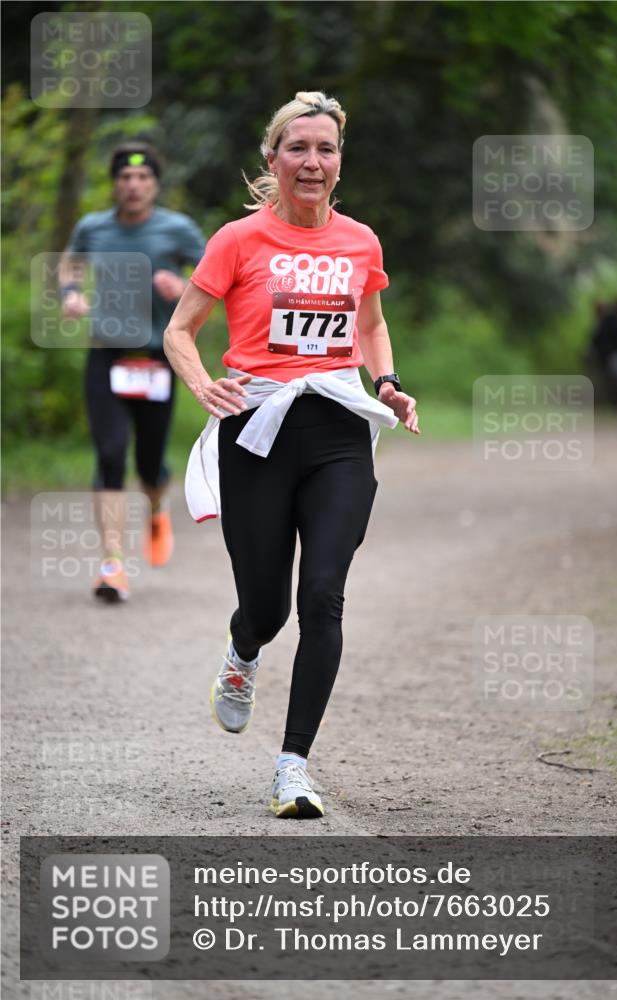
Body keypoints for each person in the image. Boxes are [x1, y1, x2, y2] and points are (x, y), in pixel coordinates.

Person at [164, 91, 418, 819]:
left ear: (340, 162)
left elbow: (370, 324)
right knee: (269, 606)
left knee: (324, 595)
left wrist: (389, 382)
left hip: (336, 428)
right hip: (258, 430)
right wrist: (202, 383)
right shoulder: (237, 240)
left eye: (326, 149)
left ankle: (293, 766)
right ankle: (242, 652)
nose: (312, 162)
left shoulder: (359, 241)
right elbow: (181, 330)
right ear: (272, 158)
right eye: (298, 148)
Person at [59, 142, 206, 602]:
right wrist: (69, 293)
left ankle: (157, 506)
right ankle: (112, 565)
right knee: (109, 452)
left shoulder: (177, 229)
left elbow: (217, 279)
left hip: (157, 358)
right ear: (115, 184)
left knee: (148, 464)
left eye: (143, 178)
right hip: (107, 355)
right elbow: (71, 262)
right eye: (125, 178)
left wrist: (182, 286)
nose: (134, 185)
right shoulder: (93, 227)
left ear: (156, 185)